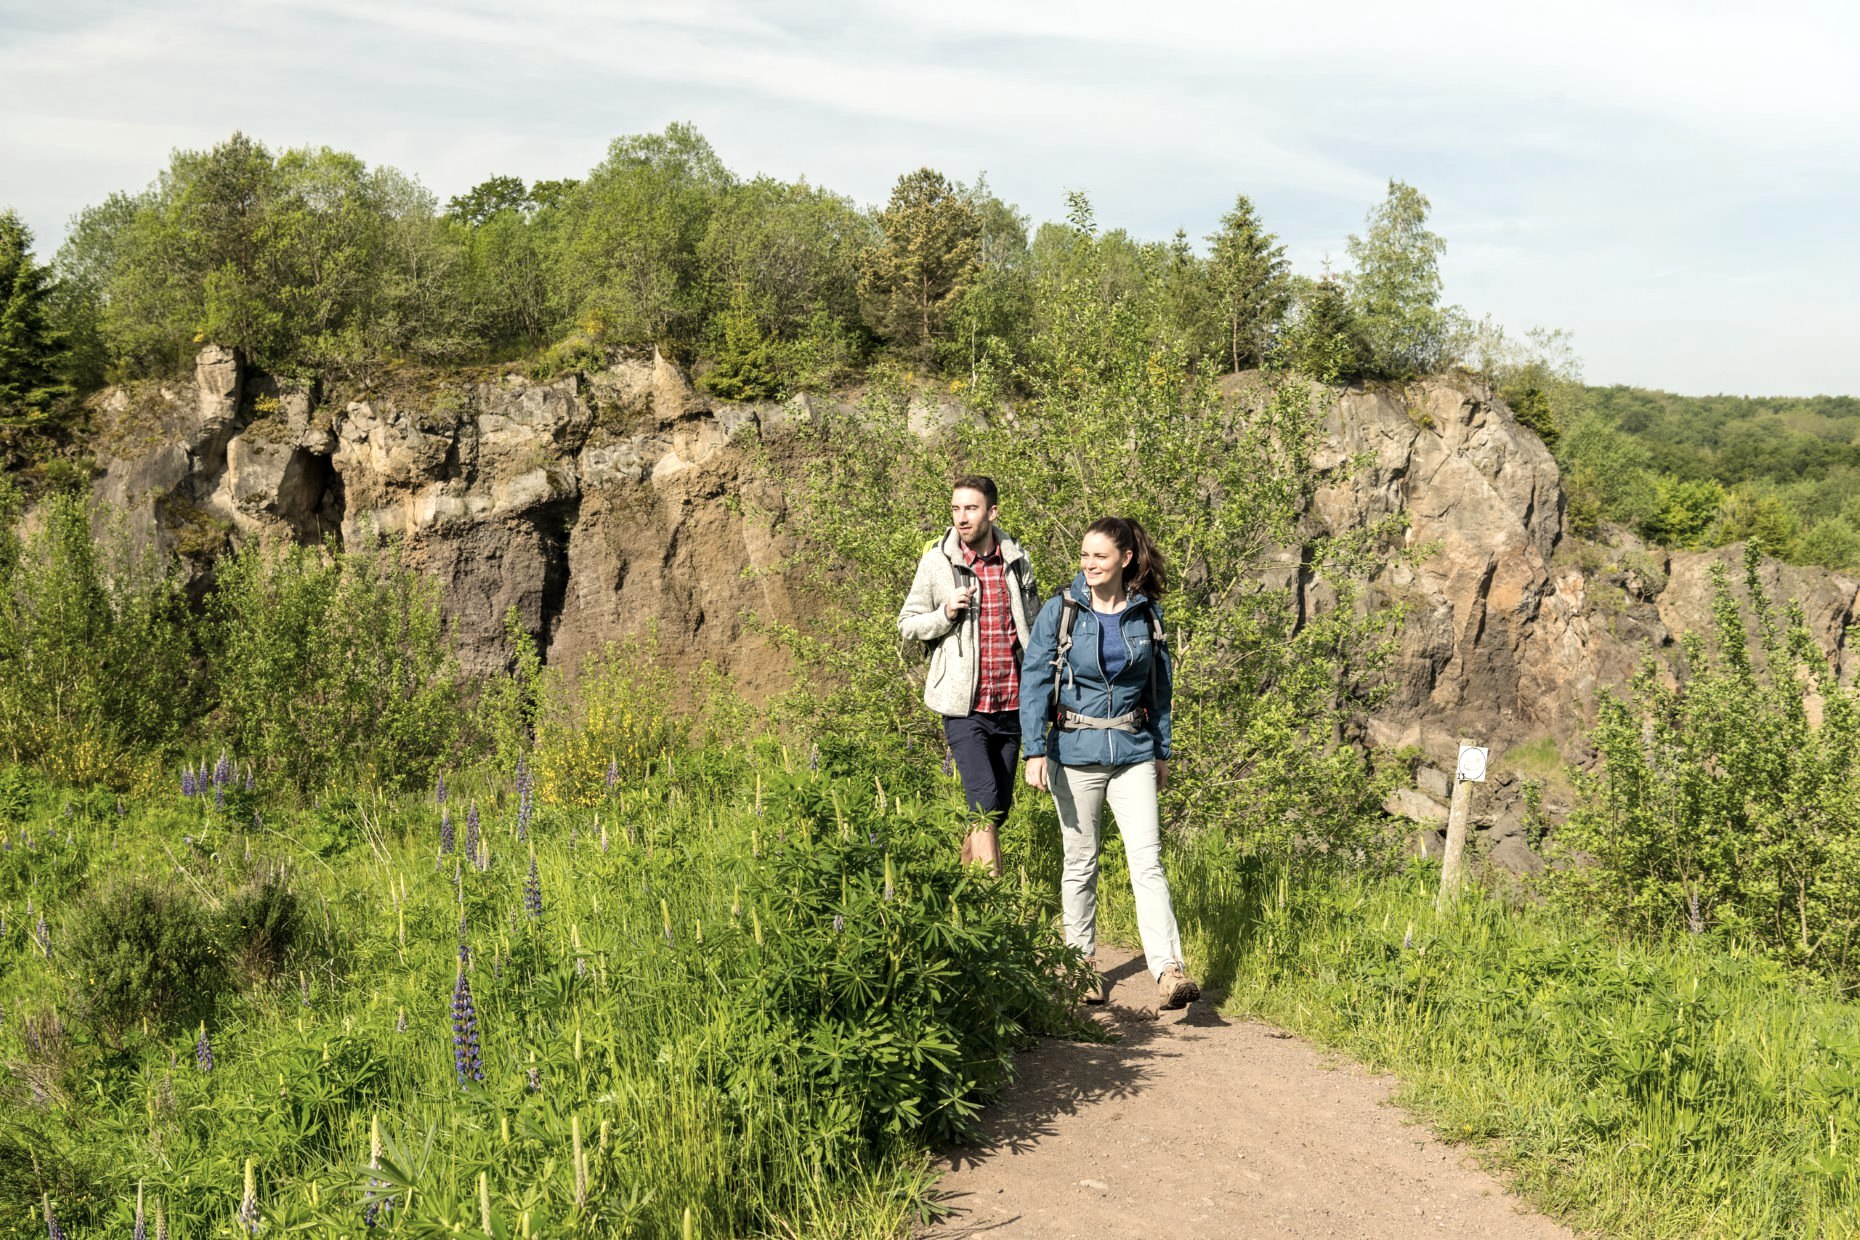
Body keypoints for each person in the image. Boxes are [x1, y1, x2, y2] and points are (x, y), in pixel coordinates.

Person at [1020, 516, 1200, 1010]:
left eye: (1100, 556)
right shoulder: (1061, 610)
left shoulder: (1147, 615)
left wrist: (1160, 750)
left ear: (1125, 559)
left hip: (1133, 751)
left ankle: (1168, 970)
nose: (1090, 564)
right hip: (1074, 752)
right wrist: (1034, 750)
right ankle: (1081, 966)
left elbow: (1159, 691)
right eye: (1085, 555)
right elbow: (1034, 682)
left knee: (1148, 861)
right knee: (1081, 863)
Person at [897, 476, 1042, 875]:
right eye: (956, 508)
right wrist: (944, 613)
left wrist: (1045, 684)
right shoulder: (937, 563)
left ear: (992, 512)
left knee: (998, 809)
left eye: (971, 508)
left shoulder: (1017, 560)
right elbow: (907, 623)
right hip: (964, 707)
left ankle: (961, 878)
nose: (961, 517)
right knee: (983, 801)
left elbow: (1034, 626)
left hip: (1012, 703)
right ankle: (993, 893)